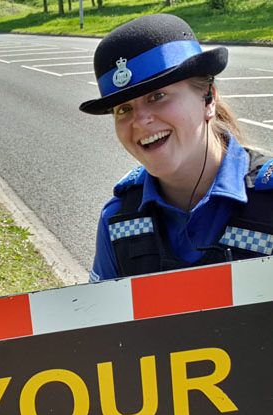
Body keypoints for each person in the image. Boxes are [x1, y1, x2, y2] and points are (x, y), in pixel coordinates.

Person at [80, 14, 273, 281]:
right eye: (124, 109)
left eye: (157, 96)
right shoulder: (117, 220)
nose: (140, 121)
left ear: (208, 100)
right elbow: (99, 318)